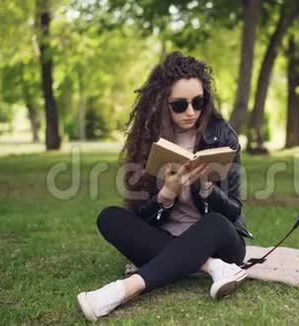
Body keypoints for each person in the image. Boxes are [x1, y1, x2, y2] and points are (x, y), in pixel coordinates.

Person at [77, 52, 254, 321]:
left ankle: (124, 290)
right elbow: (139, 215)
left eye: (198, 102)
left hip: (220, 241)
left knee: (216, 223)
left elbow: (234, 212)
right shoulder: (147, 138)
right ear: (163, 103)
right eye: (180, 105)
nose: (191, 112)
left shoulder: (222, 134)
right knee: (110, 218)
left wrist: (207, 189)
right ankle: (211, 267)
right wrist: (166, 194)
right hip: (165, 239)